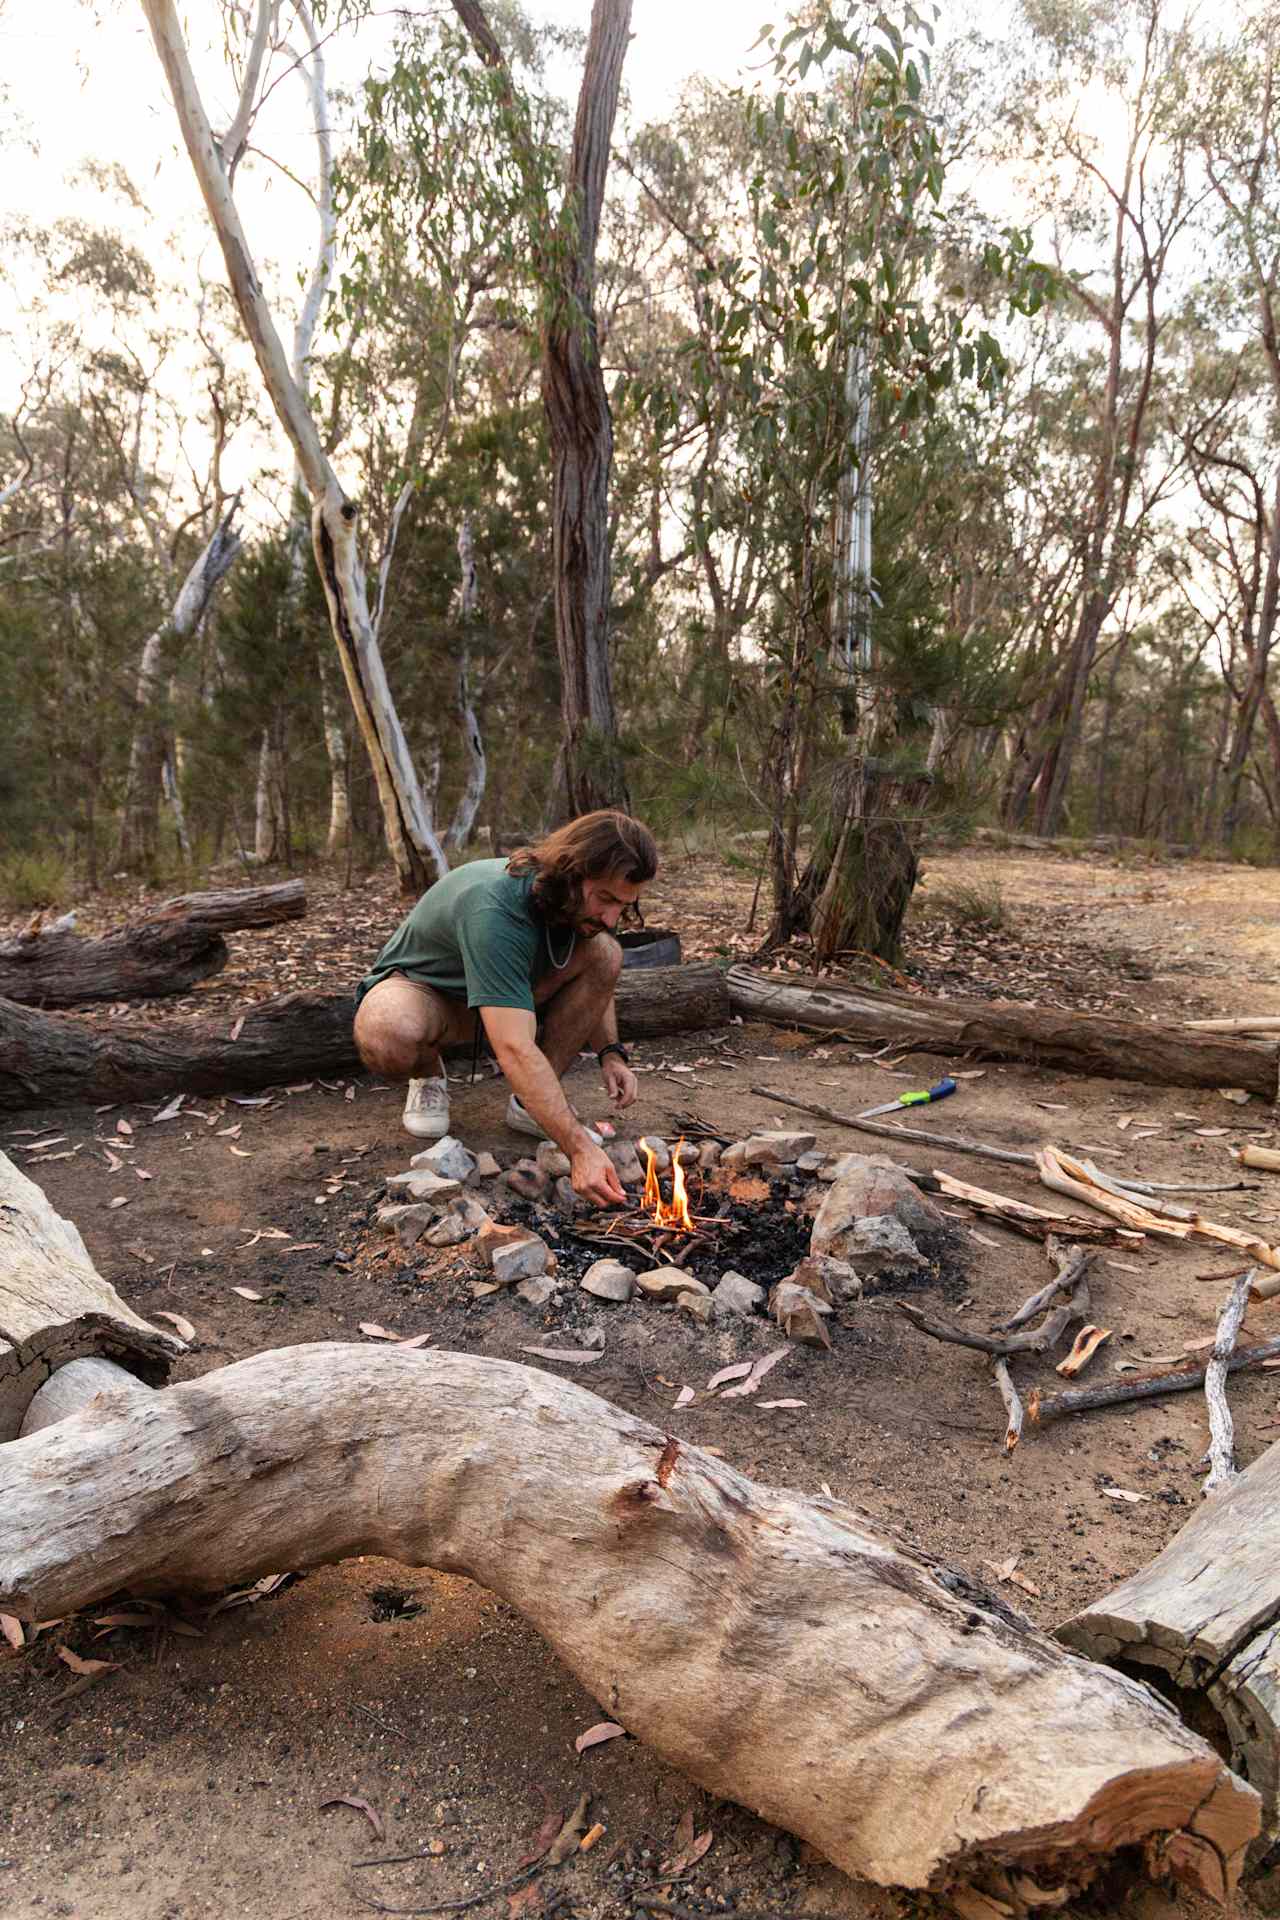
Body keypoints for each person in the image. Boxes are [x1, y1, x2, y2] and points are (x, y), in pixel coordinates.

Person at [353, 810, 658, 1208]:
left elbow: (596, 969)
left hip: (508, 993)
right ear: (571, 871)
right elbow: (513, 1047)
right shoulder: (497, 908)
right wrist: (580, 1149)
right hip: (431, 995)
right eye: (605, 899)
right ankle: (427, 1076)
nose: (612, 916)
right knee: (387, 1030)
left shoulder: (581, 906)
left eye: (623, 904)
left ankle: (528, 1102)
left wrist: (611, 1053)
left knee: (605, 952)